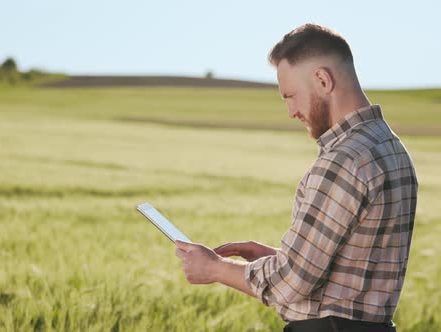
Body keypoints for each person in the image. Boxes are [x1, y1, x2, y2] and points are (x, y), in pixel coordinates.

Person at [175, 23, 418, 332]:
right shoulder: (391, 147)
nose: (291, 111)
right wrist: (276, 257)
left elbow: (290, 284)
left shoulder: (344, 159)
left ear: (322, 80)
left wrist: (214, 268)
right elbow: (355, 271)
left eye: (290, 95)